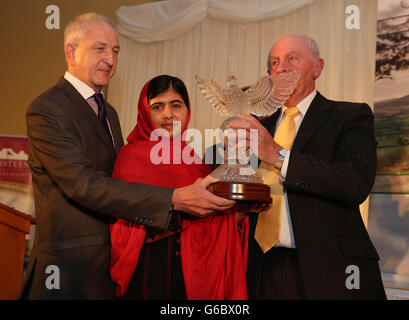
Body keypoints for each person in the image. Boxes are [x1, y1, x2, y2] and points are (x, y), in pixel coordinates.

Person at [22, 13, 234, 299]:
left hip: (109, 268)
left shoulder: (108, 112)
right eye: (100, 48)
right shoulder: (48, 108)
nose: (110, 59)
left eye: (116, 50)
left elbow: (117, 179)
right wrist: (173, 197)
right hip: (68, 270)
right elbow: (84, 184)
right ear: (71, 51)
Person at [229, 34, 386, 299]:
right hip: (260, 268)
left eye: (292, 58)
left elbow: (354, 183)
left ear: (317, 67)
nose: (282, 68)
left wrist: (277, 155)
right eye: (275, 62)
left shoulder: (349, 116)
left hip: (330, 270)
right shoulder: (257, 130)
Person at [109, 75, 248, 300]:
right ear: (145, 112)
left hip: (189, 275)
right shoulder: (130, 157)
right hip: (149, 269)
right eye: (157, 106)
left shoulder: (194, 160)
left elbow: (209, 222)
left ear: (187, 110)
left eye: (176, 105)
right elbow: (122, 227)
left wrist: (237, 215)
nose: (168, 114)